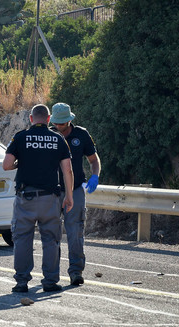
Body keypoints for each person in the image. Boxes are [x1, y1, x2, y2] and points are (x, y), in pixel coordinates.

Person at [3, 104, 74, 293]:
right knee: (51, 240)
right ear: (49, 119)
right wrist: (69, 196)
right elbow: (67, 169)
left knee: (22, 239)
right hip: (50, 199)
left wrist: (20, 163)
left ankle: (22, 281)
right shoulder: (58, 138)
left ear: (31, 119)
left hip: (25, 199)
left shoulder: (20, 137)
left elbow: (6, 165)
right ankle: (50, 281)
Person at [50, 103, 101, 286]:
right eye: (56, 123)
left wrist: (95, 175)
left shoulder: (82, 134)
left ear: (70, 120)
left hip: (76, 189)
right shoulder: (49, 136)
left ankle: (76, 271)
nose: (59, 127)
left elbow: (94, 160)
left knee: (76, 232)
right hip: (53, 191)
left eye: (62, 124)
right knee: (52, 234)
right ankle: (51, 275)